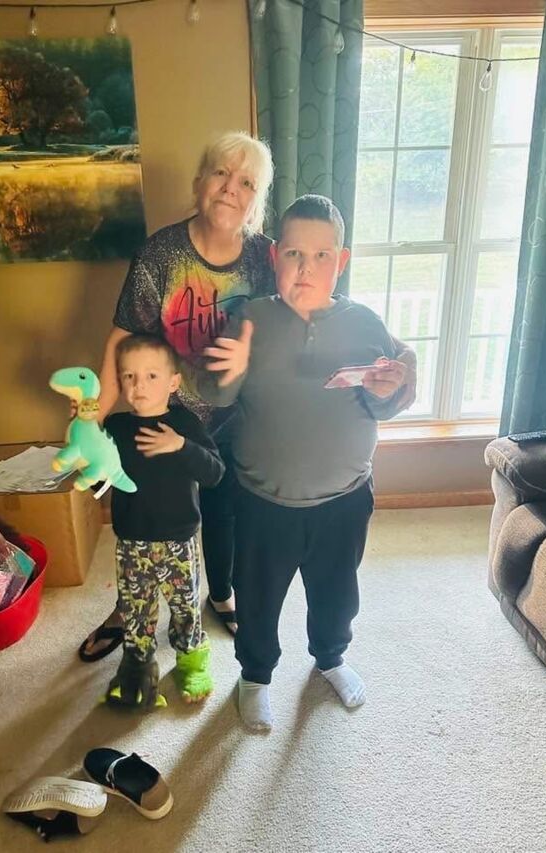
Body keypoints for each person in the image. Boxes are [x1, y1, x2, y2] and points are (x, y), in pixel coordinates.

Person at [201, 194, 416, 731]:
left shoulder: (364, 323)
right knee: (257, 599)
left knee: (337, 593)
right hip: (262, 501)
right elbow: (217, 395)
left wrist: (392, 388)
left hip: (344, 500)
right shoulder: (249, 318)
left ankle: (331, 657)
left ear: (341, 262)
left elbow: (387, 398)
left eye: (322, 256)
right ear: (275, 256)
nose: (306, 268)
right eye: (295, 253)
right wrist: (228, 366)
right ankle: (255, 676)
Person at [79, 131, 277, 660]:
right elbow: (122, 338)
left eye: (247, 182)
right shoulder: (161, 253)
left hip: (236, 417)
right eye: (221, 173)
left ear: (257, 201)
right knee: (144, 517)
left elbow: (285, 328)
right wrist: (92, 420)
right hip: (165, 412)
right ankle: (126, 609)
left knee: (222, 510)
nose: (230, 188)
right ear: (199, 182)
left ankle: (221, 593)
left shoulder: (266, 260)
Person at [102, 333, 225, 709]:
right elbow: (98, 480)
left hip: (178, 540)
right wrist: (87, 459)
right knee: (135, 607)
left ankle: (192, 659)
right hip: (132, 541)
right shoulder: (116, 427)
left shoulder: (184, 423)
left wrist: (180, 446)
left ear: (173, 382)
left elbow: (215, 473)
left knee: (185, 605)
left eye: (151, 376)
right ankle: (137, 664)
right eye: (129, 376)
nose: (139, 385)